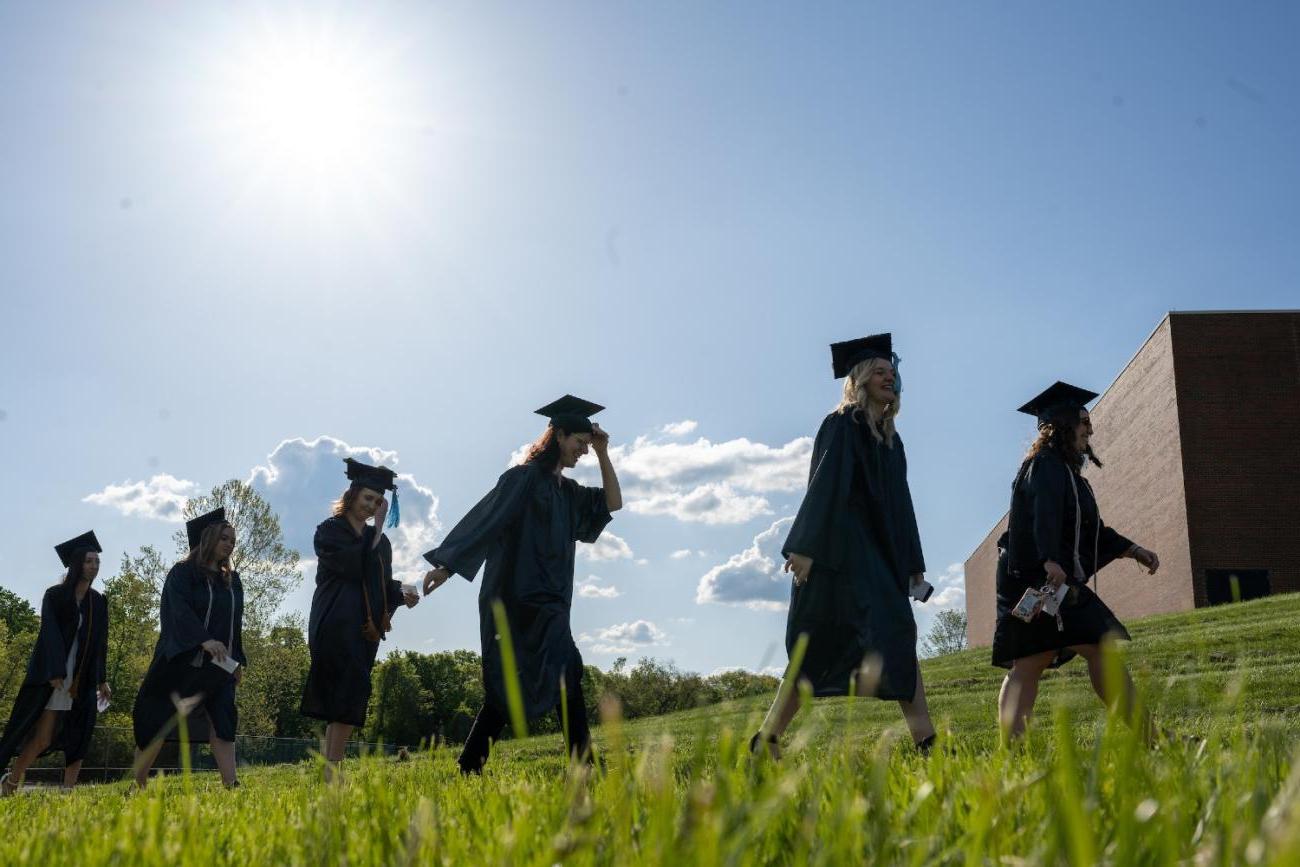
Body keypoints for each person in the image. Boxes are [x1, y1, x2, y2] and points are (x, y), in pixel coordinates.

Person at [754, 333, 938, 757]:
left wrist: (914, 565)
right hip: (840, 562)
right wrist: (802, 547)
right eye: (878, 371)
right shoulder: (842, 424)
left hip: (880, 563)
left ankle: (927, 743)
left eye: (892, 372)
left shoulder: (892, 441)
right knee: (814, 655)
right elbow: (823, 486)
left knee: (899, 641)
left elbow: (903, 508)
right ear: (859, 379)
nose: (888, 377)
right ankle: (766, 740)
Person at [423, 395, 622, 774]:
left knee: (564, 671)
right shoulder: (523, 479)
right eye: (579, 442)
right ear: (559, 435)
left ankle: (473, 763)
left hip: (552, 602)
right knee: (521, 678)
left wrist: (602, 453)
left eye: (586, 444)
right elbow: (487, 520)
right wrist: (446, 565)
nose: (582, 449)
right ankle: (578, 764)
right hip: (514, 600)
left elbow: (613, 503)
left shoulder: (571, 493)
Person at [992, 381, 1161, 738]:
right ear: (1064, 424)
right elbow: (1043, 515)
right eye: (1084, 420)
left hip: (1054, 576)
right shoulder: (1044, 465)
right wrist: (1050, 559)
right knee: (1031, 660)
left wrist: (1133, 550)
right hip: (1034, 575)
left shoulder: (1071, 475)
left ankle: (1151, 738)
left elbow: (1093, 530)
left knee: (1099, 647)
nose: (1091, 428)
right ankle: (1011, 751)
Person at [301, 458, 419, 779]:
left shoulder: (380, 542)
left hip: (364, 627)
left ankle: (330, 773)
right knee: (345, 693)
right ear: (351, 496)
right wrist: (378, 533)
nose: (372, 505)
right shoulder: (330, 531)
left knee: (351, 696)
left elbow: (380, 582)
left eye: (378, 501)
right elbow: (354, 567)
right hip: (334, 620)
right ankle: (332, 774)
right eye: (368, 498)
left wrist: (401, 594)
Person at [131, 508, 246, 788]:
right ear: (208, 539)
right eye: (224, 538)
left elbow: (234, 624)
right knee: (156, 722)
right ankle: (138, 783)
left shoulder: (232, 581)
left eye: (232, 540)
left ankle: (231, 784)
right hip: (180, 663)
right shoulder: (183, 573)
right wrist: (202, 639)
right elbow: (177, 612)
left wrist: (237, 660)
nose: (230, 544)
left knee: (224, 721)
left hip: (218, 667)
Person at [0, 532, 110, 794]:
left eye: (96, 561)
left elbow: (100, 643)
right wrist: (54, 671)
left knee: (81, 731)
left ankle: (68, 791)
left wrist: (102, 679)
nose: (94, 566)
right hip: (55, 677)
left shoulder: (98, 602)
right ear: (76, 565)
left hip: (83, 678)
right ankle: (12, 781)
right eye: (88, 561)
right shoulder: (55, 596)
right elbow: (48, 635)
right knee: (43, 737)